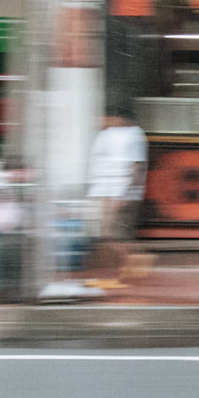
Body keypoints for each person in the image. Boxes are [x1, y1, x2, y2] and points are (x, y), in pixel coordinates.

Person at [86, 111, 148, 287]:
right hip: (108, 192)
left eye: (104, 117)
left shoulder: (133, 135)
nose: (99, 120)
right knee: (108, 234)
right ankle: (128, 266)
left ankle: (135, 261)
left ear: (115, 117)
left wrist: (126, 194)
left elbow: (137, 165)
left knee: (114, 234)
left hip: (120, 193)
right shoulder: (106, 135)